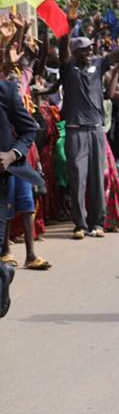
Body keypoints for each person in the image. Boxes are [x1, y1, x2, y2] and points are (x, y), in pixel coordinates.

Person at [59, 19, 119, 240]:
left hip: (97, 130)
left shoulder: (98, 65)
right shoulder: (68, 68)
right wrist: (69, 25)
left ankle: (97, 223)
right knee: (78, 177)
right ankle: (79, 225)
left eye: (90, 49)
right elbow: (62, 46)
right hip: (75, 130)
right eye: (84, 50)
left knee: (98, 177)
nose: (89, 52)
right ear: (75, 52)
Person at [0, 76, 41, 270]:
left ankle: (29, 255)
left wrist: (11, 155)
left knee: (26, 205)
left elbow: (29, 130)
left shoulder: (8, 94)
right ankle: (5, 253)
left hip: (13, 168)